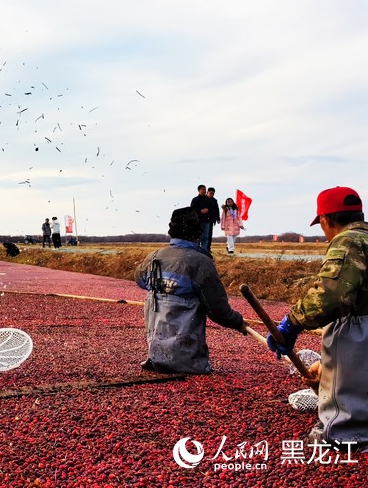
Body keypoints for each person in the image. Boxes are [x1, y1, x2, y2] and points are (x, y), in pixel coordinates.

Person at [266, 186, 368, 447]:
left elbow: (330, 298)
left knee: (347, 414)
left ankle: (345, 434)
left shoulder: (348, 241)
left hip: (360, 329)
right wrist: (326, 367)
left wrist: (292, 323)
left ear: (325, 219)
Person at [135, 207, 247, 374]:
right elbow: (218, 310)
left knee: (156, 296)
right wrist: (238, 322)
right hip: (189, 363)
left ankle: (158, 356)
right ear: (197, 233)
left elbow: (140, 278)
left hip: (156, 356)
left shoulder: (154, 256)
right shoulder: (201, 263)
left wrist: (164, 286)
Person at [190, 184, 215, 252]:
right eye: (203, 189)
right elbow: (192, 209)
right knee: (198, 236)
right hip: (198, 220)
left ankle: (204, 250)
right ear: (199, 190)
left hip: (207, 220)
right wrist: (200, 211)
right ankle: (197, 249)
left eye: (205, 189)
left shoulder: (208, 200)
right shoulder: (195, 200)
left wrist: (208, 210)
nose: (204, 191)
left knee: (206, 236)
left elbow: (212, 208)